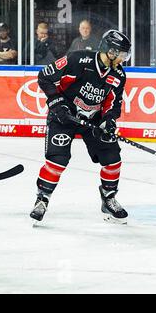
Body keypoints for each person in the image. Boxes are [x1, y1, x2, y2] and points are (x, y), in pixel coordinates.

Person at [30, 30, 131, 224]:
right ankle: (42, 199)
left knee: (112, 159)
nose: (123, 59)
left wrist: (108, 120)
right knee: (58, 160)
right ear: (110, 51)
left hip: (92, 122)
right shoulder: (78, 59)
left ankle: (108, 198)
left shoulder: (118, 75)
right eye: (121, 54)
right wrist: (57, 103)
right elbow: (45, 76)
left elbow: (113, 103)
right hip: (64, 117)